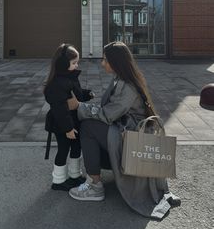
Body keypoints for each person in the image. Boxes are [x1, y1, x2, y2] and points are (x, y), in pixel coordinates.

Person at [68, 41, 180, 220]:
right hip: (124, 129)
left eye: (105, 60)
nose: (102, 63)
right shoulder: (121, 79)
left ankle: (95, 186)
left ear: (115, 62)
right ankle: (98, 173)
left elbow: (107, 114)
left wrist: (78, 106)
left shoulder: (127, 86)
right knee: (91, 125)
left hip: (128, 136)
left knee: (88, 127)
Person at [44, 43, 94, 191]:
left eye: (77, 62)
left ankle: (74, 175)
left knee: (76, 147)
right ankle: (58, 181)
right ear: (63, 64)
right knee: (63, 149)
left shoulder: (70, 78)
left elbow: (76, 95)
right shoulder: (57, 84)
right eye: (74, 63)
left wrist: (87, 94)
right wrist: (68, 128)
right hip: (62, 124)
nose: (76, 65)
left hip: (74, 119)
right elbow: (60, 109)